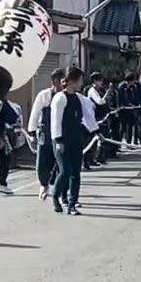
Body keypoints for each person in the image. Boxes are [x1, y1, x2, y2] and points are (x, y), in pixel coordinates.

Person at [49, 66, 92, 216]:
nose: (81, 83)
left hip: (76, 138)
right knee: (65, 170)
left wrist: (96, 132)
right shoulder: (60, 98)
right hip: (62, 139)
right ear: (73, 81)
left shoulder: (80, 99)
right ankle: (56, 195)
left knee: (76, 173)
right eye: (80, 80)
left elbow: (88, 117)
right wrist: (58, 140)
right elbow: (56, 121)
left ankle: (72, 204)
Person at [28, 68, 66, 201]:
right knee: (42, 160)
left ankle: (58, 189)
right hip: (45, 133)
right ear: (55, 81)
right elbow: (35, 114)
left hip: (61, 133)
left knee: (60, 162)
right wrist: (32, 133)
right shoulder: (44, 95)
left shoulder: (66, 96)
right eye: (61, 80)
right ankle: (44, 185)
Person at [85, 72, 111, 166]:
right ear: (94, 81)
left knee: (98, 138)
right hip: (93, 117)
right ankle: (88, 160)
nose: (101, 82)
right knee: (92, 138)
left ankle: (96, 158)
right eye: (99, 80)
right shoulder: (92, 90)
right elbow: (100, 102)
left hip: (100, 116)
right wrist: (107, 93)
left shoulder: (100, 90)